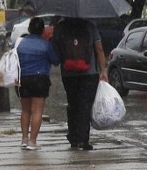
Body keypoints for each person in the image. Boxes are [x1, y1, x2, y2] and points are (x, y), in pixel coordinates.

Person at [54, 15, 109, 150]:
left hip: (68, 74)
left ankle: (73, 137)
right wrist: (103, 70)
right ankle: (83, 140)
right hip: (89, 74)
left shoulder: (61, 27)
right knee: (85, 106)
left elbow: (55, 49)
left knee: (73, 104)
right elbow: (99, 49)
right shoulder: (90, 26)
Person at [15, 17, 63, 150]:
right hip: (39, 79)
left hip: (22, 79)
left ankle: (24, 139)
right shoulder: (46, 45)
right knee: (37, 111)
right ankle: (32, 141)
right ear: (42, 30)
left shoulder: (20, 43)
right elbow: (56, 61)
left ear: (29, 29)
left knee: (25, 110)